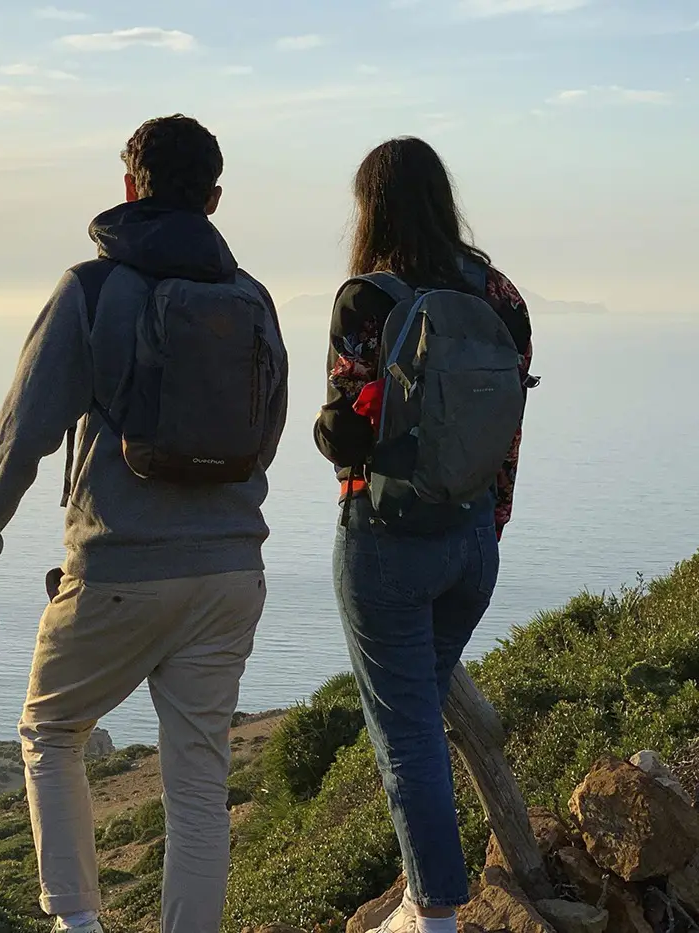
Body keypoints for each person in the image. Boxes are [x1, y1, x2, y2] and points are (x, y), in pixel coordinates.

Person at [0, 114, 288, 933]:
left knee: (51, 728)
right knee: (199, 782)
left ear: (129, 187)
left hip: (122, 568)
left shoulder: (93, 289)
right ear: (213, 198)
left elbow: (23, 431)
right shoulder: (251, 299)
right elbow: (266, 433)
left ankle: (77, 923)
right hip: (233, 573)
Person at [314, 136, 534, 933]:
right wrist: (489, 530)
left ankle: (433, 913)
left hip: (388, 541)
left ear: (371, 207)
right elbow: (509, 430)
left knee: (404, 730)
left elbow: (348, 433)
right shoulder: (501, 293)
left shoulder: (367, 298)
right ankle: (423, 895)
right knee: (422, 715)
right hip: (474, 542)